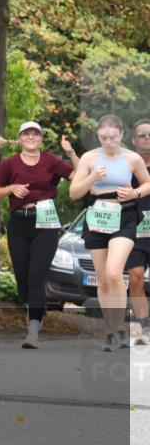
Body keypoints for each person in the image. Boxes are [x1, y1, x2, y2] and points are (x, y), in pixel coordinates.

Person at [0, 122, 79, 348]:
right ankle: (36, 311)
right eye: (26, 134)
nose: (31, 137)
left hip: (46, 223)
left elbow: (78, 176)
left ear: (40, 139)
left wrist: (71, 152)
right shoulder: (9, 164)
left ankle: (33, 329)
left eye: (35, 133)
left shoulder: (51, 161)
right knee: (23, 279)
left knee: (37, 275)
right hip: (19, 222)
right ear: (19, 139)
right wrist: (11, 189)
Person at [69, 114, 150, 351]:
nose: (109, 141)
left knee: (115, 273)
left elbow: (147, 183)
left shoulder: (132, 158)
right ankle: (113, 330)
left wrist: (135, 194)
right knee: (103, 279)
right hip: (97, 216)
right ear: (98, 136)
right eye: (104, 137)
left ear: (121, 135)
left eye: (113, 137)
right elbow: (74, 193)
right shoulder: (89, 158)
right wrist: (93, 176)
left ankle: (120, 327)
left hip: (124, 216)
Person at [125, 119, 150, 345]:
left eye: (149, 135)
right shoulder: (125, 167)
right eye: (141, 135)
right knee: (136, 278)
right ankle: (142, 328)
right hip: (134, 231)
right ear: (134, 140)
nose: (146, 138)